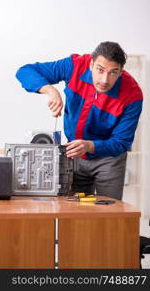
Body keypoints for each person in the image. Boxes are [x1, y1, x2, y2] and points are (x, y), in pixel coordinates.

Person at [15, 41, 143, 200]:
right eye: (100, 70)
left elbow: (122, 142)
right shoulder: (75, 65)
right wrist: (50, 90)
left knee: (109, 215)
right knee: (74, 215)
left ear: (121, 72)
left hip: (109, 159)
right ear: (91, 64)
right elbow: (25, 71)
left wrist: (89, 145)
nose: (104, 80)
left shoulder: (133, 95)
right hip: (74, 154)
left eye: (113, 72)